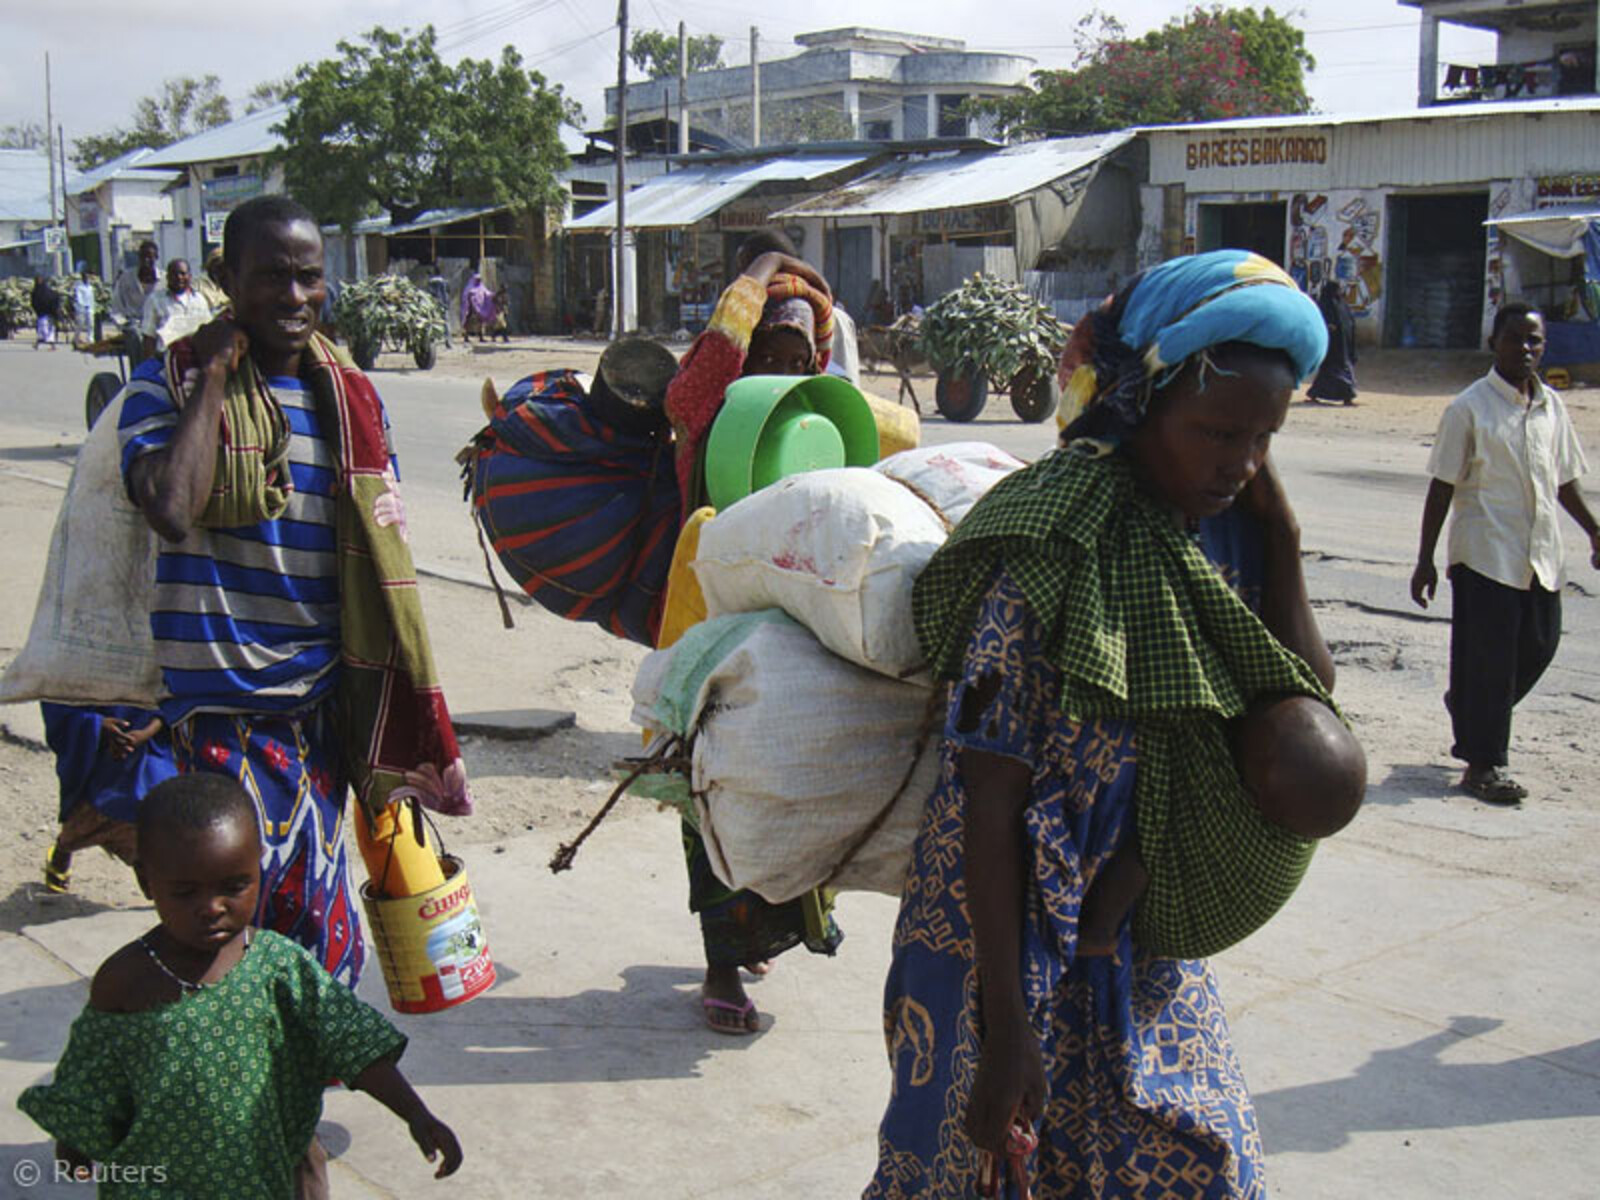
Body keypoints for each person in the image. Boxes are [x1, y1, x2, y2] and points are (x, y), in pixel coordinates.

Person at [868, 251, 1364, 1198]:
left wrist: (1285, 542)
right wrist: (1005, 1025)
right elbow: (990, 788)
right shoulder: (1055, 538)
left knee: (1202, 1162)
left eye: (1264, 437)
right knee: (983, 1170)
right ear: (1140, 404)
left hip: (1141, 917)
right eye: (1218, 431)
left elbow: (1304, 699)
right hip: (999, 928)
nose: (1242, 461)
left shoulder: (1227, 526)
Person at [117, 194, 471, 989]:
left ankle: (294, 1098)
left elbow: (379, 564)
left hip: (317, 708)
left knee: (314, 919)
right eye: (271, 276)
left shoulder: (350, 404)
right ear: (226, 280)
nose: (295, 297)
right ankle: (243, 1099)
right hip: (211, 708)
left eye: (309, 277)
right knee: (220, 928)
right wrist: (213, 372)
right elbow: (172, 508)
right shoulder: (164, 390)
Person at [19, 774, 462, 1196]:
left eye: (234, 886)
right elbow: (95, 1075)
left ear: (258, 871)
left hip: (271, 1174)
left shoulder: (280, 967)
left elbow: (353, 1044)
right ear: (145, 882)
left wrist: (416, 1114)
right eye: (186, 892)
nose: (212, 907)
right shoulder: (126, 981)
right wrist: (75, 1140)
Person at [662, 241, 841, 1033]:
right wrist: (762, 272)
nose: (778, 362)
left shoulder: (822, 422)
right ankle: (720, 961)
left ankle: (770, 921)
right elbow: (694, 380)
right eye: (764, 345)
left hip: (791, 625)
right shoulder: (709, 417)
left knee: (793, 779)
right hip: (709, 625)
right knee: (712, 788)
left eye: (794, 349)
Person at [1410, 301, 1599, 804]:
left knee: (1542, 644)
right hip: (1485, 554)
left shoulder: (1551, 405)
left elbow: (1564, 480)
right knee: (1492, 663)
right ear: (1495, 343)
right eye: (1515, 338)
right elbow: (1442, 486)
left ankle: (1471, 709)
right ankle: (1483, 766)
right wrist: (1425, 558)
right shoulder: (1468, 408)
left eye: (1534, 340)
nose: (1526, 349)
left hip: (1538, 555)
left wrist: (1595, 530)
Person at [40, 704, 174, 894]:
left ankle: (152, 884)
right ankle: (62, 851)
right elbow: (56, 703)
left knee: (144, 823)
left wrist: (147, 731)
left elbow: (170, 702)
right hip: (96, 759)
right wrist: (97, 725)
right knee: (81, 823)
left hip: (144, 754)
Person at [138, 257, 212, 360]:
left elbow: (208, 331)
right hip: (166, 357)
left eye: (183, 273)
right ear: (167, 277)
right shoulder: (155, 300)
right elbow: (149, 337)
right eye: (174, 274)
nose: (179, 277)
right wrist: (151, 363)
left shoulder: (199, 299)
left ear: (190, 276)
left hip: (196, 356)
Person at [1307, 278, 1359, 404]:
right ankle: (1347, 397)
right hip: (1332, 345)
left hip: (1343, 345)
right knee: (1332, 370)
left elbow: (1349, 322)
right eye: (1337, 289)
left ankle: (1344, 397)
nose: (1340, 292)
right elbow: (1319, 321)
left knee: (1338, 370)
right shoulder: (1324, 305)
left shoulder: (1342, 304)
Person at [111, 241, 159, 329]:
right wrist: (124, 324)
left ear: (156, 257)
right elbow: (116, 307)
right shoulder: (126, 279)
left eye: (149, 256)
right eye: (142, 256)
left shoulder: (165, 280)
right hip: (133, 329)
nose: (146, 260)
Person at [461, 271, 495, 342]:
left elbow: (487, 293)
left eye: (479, 279)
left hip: (480, 308)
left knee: (481, 323)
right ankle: (466, 337)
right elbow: (465, 296)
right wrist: (470, 302)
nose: (479, 280)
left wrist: (493, 295)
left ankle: (481, 337)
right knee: (469, 323)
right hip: (471, 309)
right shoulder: (469, 288)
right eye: (477, 279)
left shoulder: (481, 287)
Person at [194, 246, 229, 311]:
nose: (221, 270)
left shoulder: (231, 285)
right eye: (218, 266)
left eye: (224, 266)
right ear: (209, 266)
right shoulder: (197, 285)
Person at [30, 274, 60, 349]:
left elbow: (54, 300)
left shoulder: (48, 292)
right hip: (41, 314)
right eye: (37, 280)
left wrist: (54, 311)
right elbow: (34, 303)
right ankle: (44, 344)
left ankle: (49, 344)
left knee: (46, 329)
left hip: (49, 313)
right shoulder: (35, 292)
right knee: (42, 329)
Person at [425, 264, 452, 347]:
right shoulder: (445, 282)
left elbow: (428, 293)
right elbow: (448, 292)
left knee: (432, 321)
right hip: (444, 304)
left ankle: (432, 340)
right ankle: (448, 341)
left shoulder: (430, 282)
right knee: (446, 323)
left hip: (433, 304)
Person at [71, 262, 98, 345]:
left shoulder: (90, 286)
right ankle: (76, 338)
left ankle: (90, 339)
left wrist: (92, 306)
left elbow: (92, 297)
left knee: (91, 324)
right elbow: (78, 297)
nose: (87, 278)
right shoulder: (78, 285)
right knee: (80, 324)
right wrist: (82, 305)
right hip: (81, 308)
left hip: (90, 307)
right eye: (85, 277)